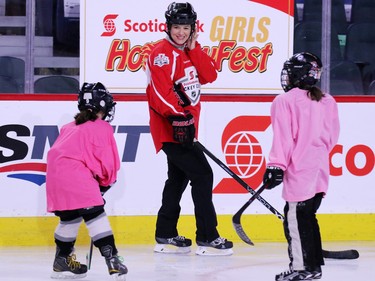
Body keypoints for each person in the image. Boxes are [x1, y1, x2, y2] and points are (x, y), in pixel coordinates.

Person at [144, 2, 233, 256]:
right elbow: (159, 94)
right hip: (172, 129)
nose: (181, 32)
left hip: (185, 127)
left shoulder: (186, 51)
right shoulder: (161, 54)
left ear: (193, 29)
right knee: (203, 176)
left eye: (186, 27)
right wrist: (178, 119)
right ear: (168, 27)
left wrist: (194, 49)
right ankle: (207, 236)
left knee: (178, 178)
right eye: (176, 27)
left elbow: (209, 75)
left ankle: (165, 234)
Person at [262, 52, 340, 281]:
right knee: (307, 217)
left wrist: (276, 165)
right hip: (319, 171)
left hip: (299, 171)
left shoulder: (284, 101)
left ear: (297, 74)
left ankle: (302, 268)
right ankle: (313, 261)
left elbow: (284, 138)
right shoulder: (327, 100)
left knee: (295, 220)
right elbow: (332, 138)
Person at [46, 82, 128, 280]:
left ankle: (62, 259)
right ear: (103, 105)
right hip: (78, 178)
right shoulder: (102, 127)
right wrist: (103, 185)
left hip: (55, 180)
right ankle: (113, 260)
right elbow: (109, 164)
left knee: (69, 218)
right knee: (95, 216)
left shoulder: (68, 127)